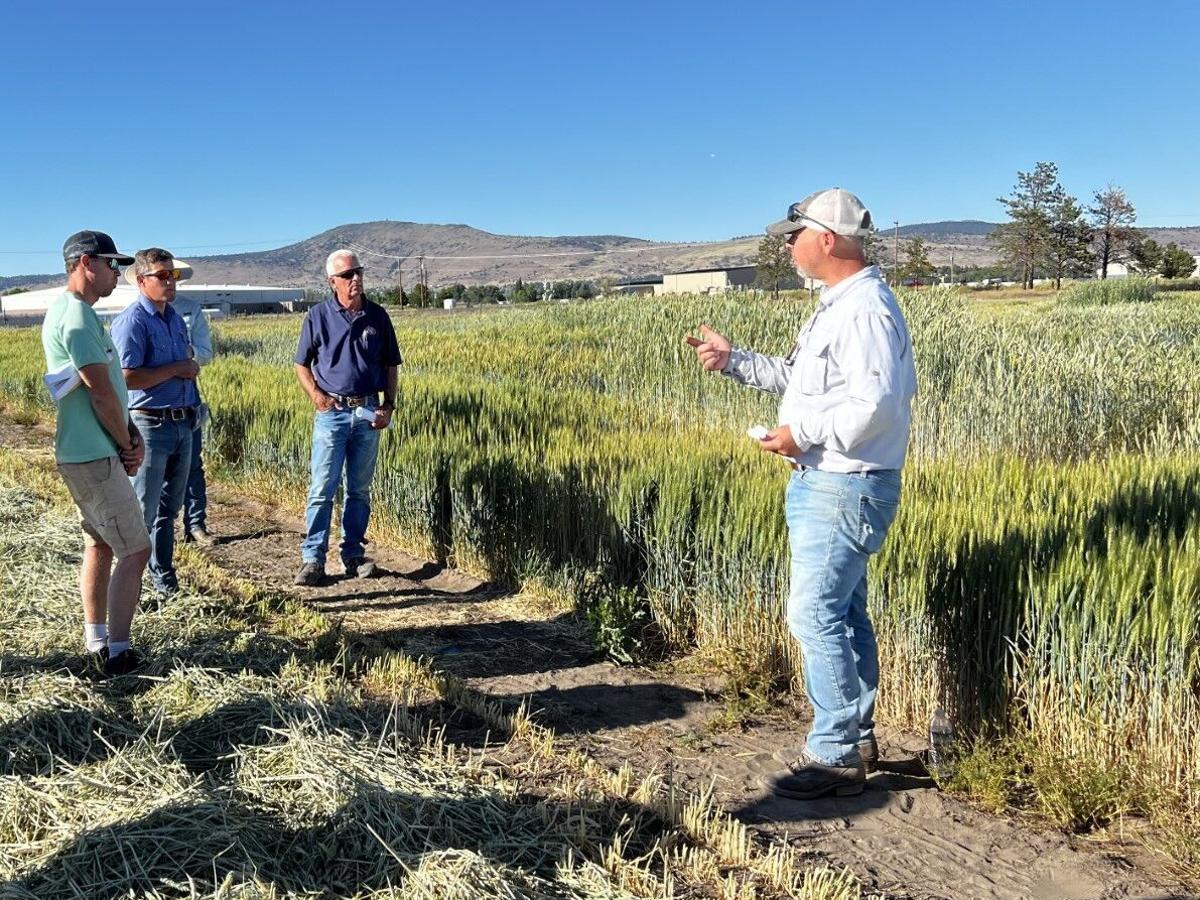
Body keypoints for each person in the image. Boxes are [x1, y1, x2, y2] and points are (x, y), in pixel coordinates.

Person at [687, 188, 917, 800]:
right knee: (843, 614)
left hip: (845, 483)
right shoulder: (839, 306)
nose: (788, 246)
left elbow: (876, 405)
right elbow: (805, 383)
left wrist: (801, 434)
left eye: (795, 236)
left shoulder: (864, 309)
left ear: (827, 238)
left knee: (814, 615)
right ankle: (856, 739)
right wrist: (735, 361)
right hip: (831, 481)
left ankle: (835, 754)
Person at [41, 231, 151, 677]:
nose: (118, 274)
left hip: (85, 451)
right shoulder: (76, 318)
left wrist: (129, 433)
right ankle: (118, 655)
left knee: (101, 543)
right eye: (112, 264)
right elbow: (101, 393)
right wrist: (126, 444)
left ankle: (98, 641)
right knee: (136, 550)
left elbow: (109, 393)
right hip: (94, 455)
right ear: (86, 263)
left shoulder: (71, 312)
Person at [293, 249, 401, 586]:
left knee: (359, 490)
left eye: (359, 272)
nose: (356, 279)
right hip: (333, 413)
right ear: (333, 282)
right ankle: (313, 559)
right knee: (322, 488)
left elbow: (391, 365)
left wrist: (388, 405)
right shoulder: (318, 316)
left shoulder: (378, 316)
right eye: (347, 274)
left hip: (368, 411)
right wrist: (316, 395)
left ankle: (353, 555)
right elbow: (301, 364)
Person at [110, 249, 200, 596]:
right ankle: (132, 587)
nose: (170, 282)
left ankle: (164, 582)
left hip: (182, 422)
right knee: (142, 512)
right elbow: (126, 377)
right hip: (150, 424)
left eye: (172, 275)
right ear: (141, 280)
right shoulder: (132, 322)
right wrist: (178, 368)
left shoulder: (174, 318)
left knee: (169, 511)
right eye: (162, 276)